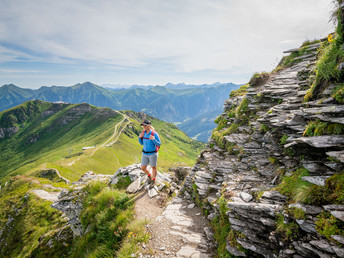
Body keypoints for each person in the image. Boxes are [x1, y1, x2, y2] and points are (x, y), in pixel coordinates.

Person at [138, 119, 161, 187]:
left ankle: (153, 180)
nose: (144, 126)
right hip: (144, 154)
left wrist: (153, 139)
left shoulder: (154, 134)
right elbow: (141, 143)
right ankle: (149, 176)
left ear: (149, 126)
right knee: (143, 168)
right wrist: (140, 137)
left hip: (152, 154)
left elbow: (159, 144)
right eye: (143, 125)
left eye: (145, 125)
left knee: (153, 167)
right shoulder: (143, 133)